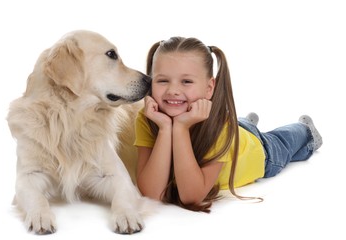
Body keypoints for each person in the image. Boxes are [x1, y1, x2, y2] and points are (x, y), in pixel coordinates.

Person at [134, 36, 323, 212]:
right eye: (163, 80)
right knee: (239, 125)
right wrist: (166, 129)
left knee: (286, 141)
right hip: (236, 132)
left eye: (186, 81)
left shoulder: (219, 126)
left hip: (260, 152)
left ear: (209, 88)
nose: (173, 90)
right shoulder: (149, 117)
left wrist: (181, 128)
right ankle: (247, 123)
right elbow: (152, 193)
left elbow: (191, 197)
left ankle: (306, 131)